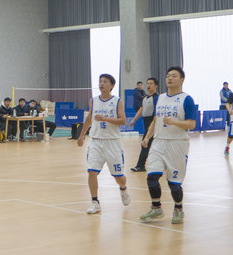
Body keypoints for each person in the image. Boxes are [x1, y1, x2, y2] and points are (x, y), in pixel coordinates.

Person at [140, 66, 196, 224]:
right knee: (152, 177)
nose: (169, 78)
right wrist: (147, 137)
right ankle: (156, 207)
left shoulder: (187, 99)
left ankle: (178, 209)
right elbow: (155, 120)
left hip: (177, 144)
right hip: (159, 142)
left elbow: (191, 124)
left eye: (174, 76)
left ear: (182, 80)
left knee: (174, 184)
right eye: (168, 76)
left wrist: (174, 122)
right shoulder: (160, 98)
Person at [77, 74, 130, 214]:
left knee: (119, 177)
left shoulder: (117, 101)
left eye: (105, 82)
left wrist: (105, 118)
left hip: (112, 142)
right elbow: (89, 119)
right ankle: (95, 202)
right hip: (96, 141)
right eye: (100, 81)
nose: (101, 84)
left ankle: (123, 188)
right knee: (91, 171)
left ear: (112, 85)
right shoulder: (93, 101)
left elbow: (123, 121)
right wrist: (81, 136)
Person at [128, 77, 158, 172]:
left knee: (145, 144)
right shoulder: (145, 98)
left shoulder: (157, 98)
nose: (148, 85)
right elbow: (141, 109)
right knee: (148, 144)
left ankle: (140, 165)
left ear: (156, 86)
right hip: (145, 123)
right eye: (147, 83)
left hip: (153, 123)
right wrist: (133, 120)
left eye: (151, 84)